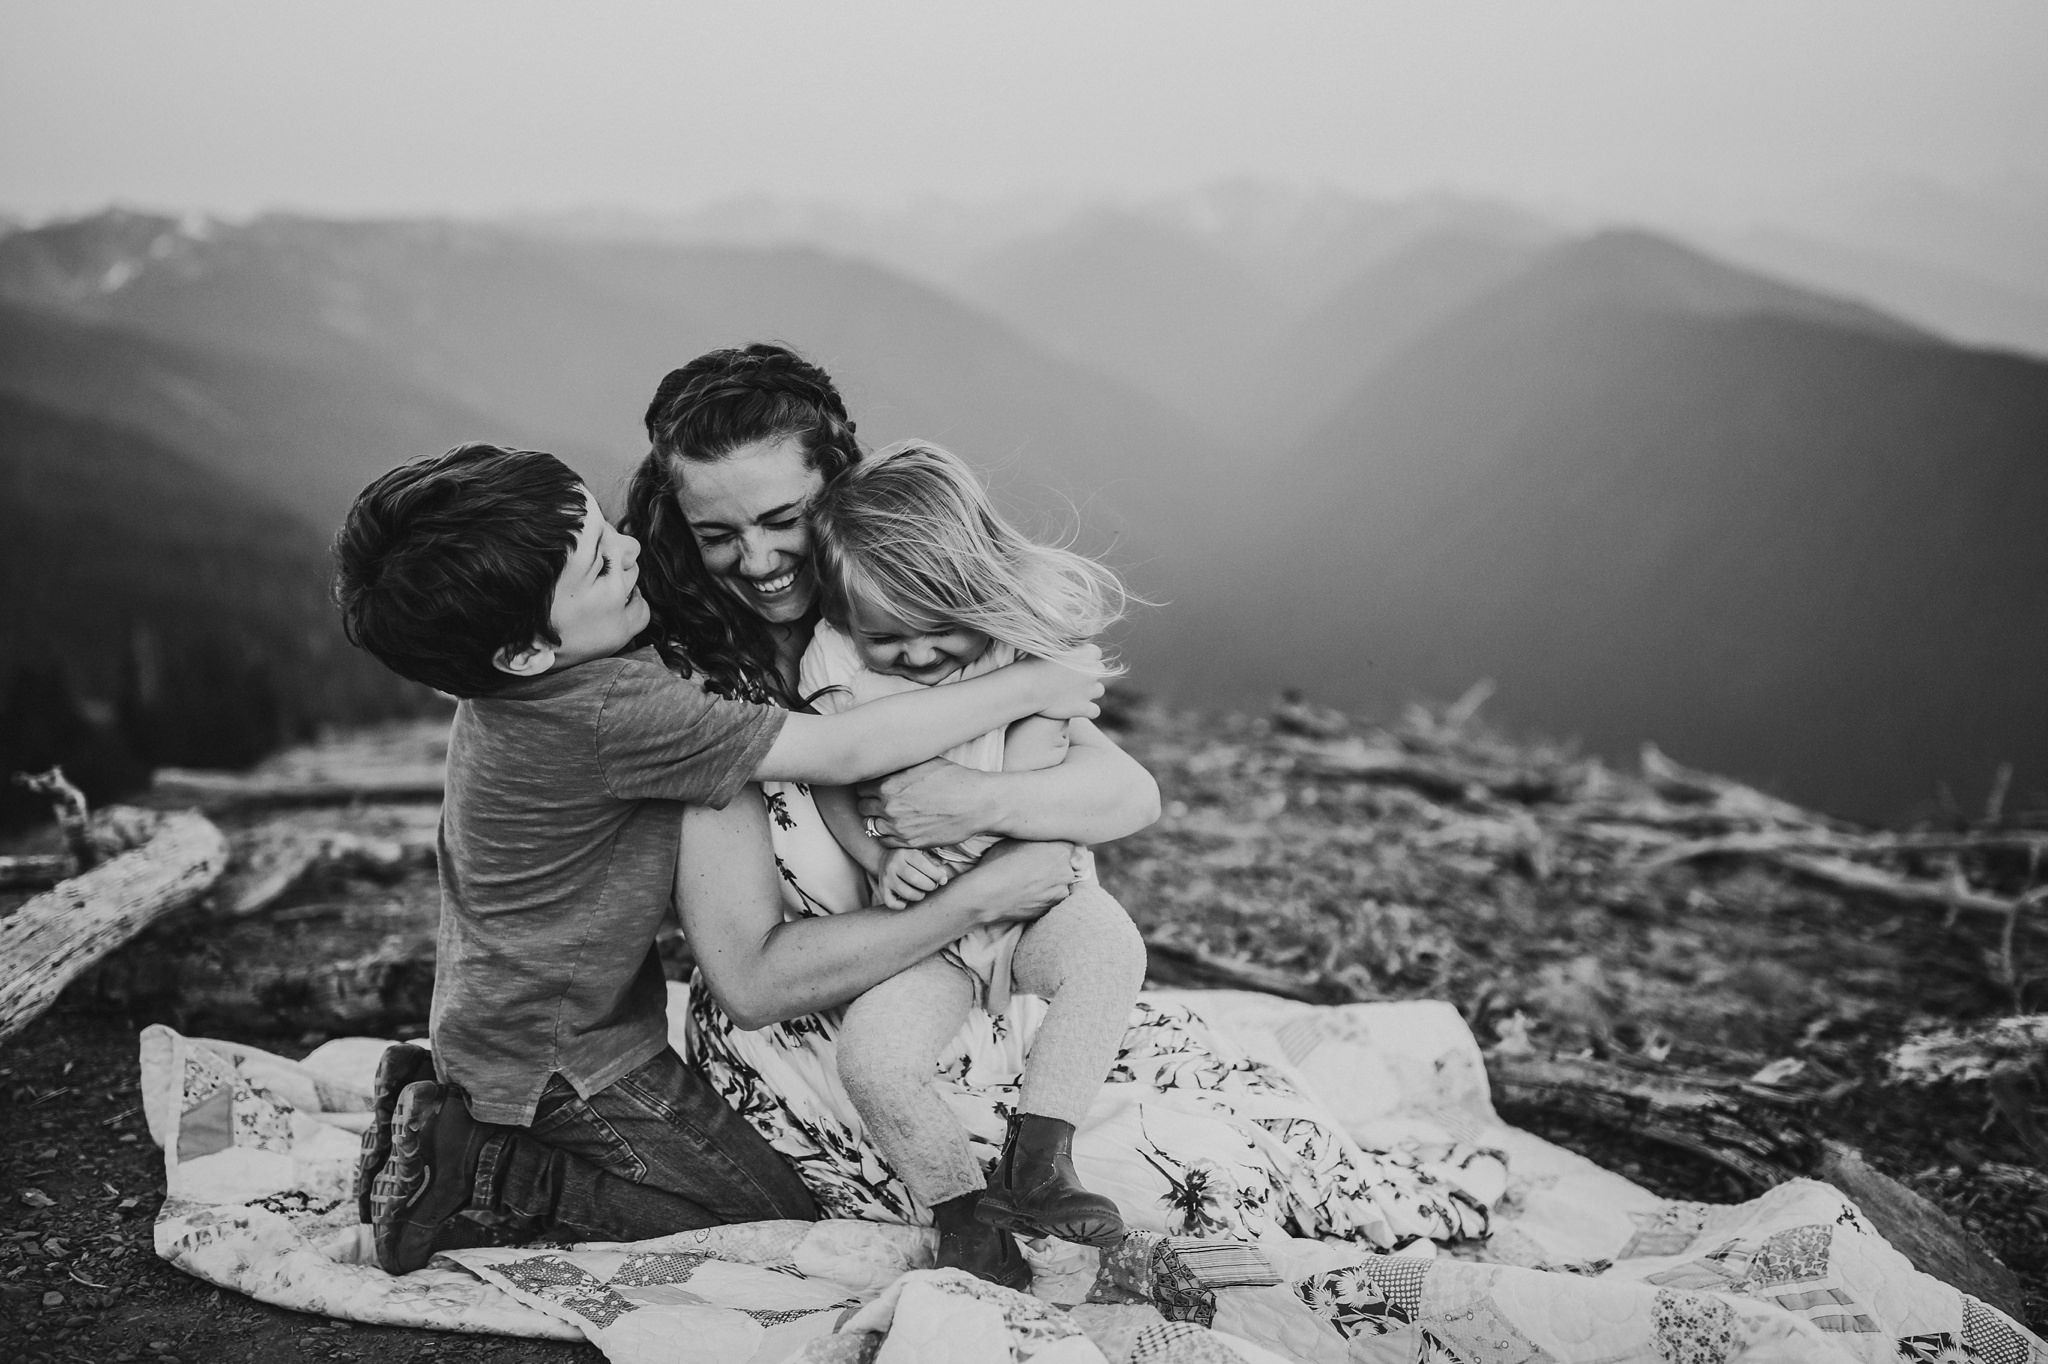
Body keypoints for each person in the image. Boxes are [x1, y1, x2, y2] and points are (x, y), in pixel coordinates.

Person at [624, 345, 1501, 1289]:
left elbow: (1126, 794)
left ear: (841, 490)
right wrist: (976, 891)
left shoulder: (937, 618)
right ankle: (973, 1208)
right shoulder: (694, 698)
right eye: (718, 534)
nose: (755, 561)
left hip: (993, 1000)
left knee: (1246, 1134)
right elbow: (752, 982)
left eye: (782, 519)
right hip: (824, 1057)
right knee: (1183, 1192)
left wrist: (987, 794)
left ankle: (1042, 1154)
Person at [331, 442, 1105, 1274]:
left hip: (509, 1025)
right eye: (598, 565)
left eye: (605, 528)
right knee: (753, 1211)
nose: (629, 549)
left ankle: (453, 1118)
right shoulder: (613, 710)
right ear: (523, 650)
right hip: (573, 1055)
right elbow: (840, 751)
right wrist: (1030, 686)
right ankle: (494, 1170)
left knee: (727, 1190)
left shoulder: (513, 691)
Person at [798, 440, 1150, 1286]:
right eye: (888, 640)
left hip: (1038, 899)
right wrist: (876, 856)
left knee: (1110, 951)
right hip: (928, 932)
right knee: (874, 1059)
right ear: (848, 620)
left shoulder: (1019, 650)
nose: (916, 658)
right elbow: (830, 775)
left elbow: (1056, 753)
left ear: (977, 592)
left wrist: (1007, 826)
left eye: (936, 632)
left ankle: (1041, 1160)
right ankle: (959, 1213)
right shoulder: (834, 661)